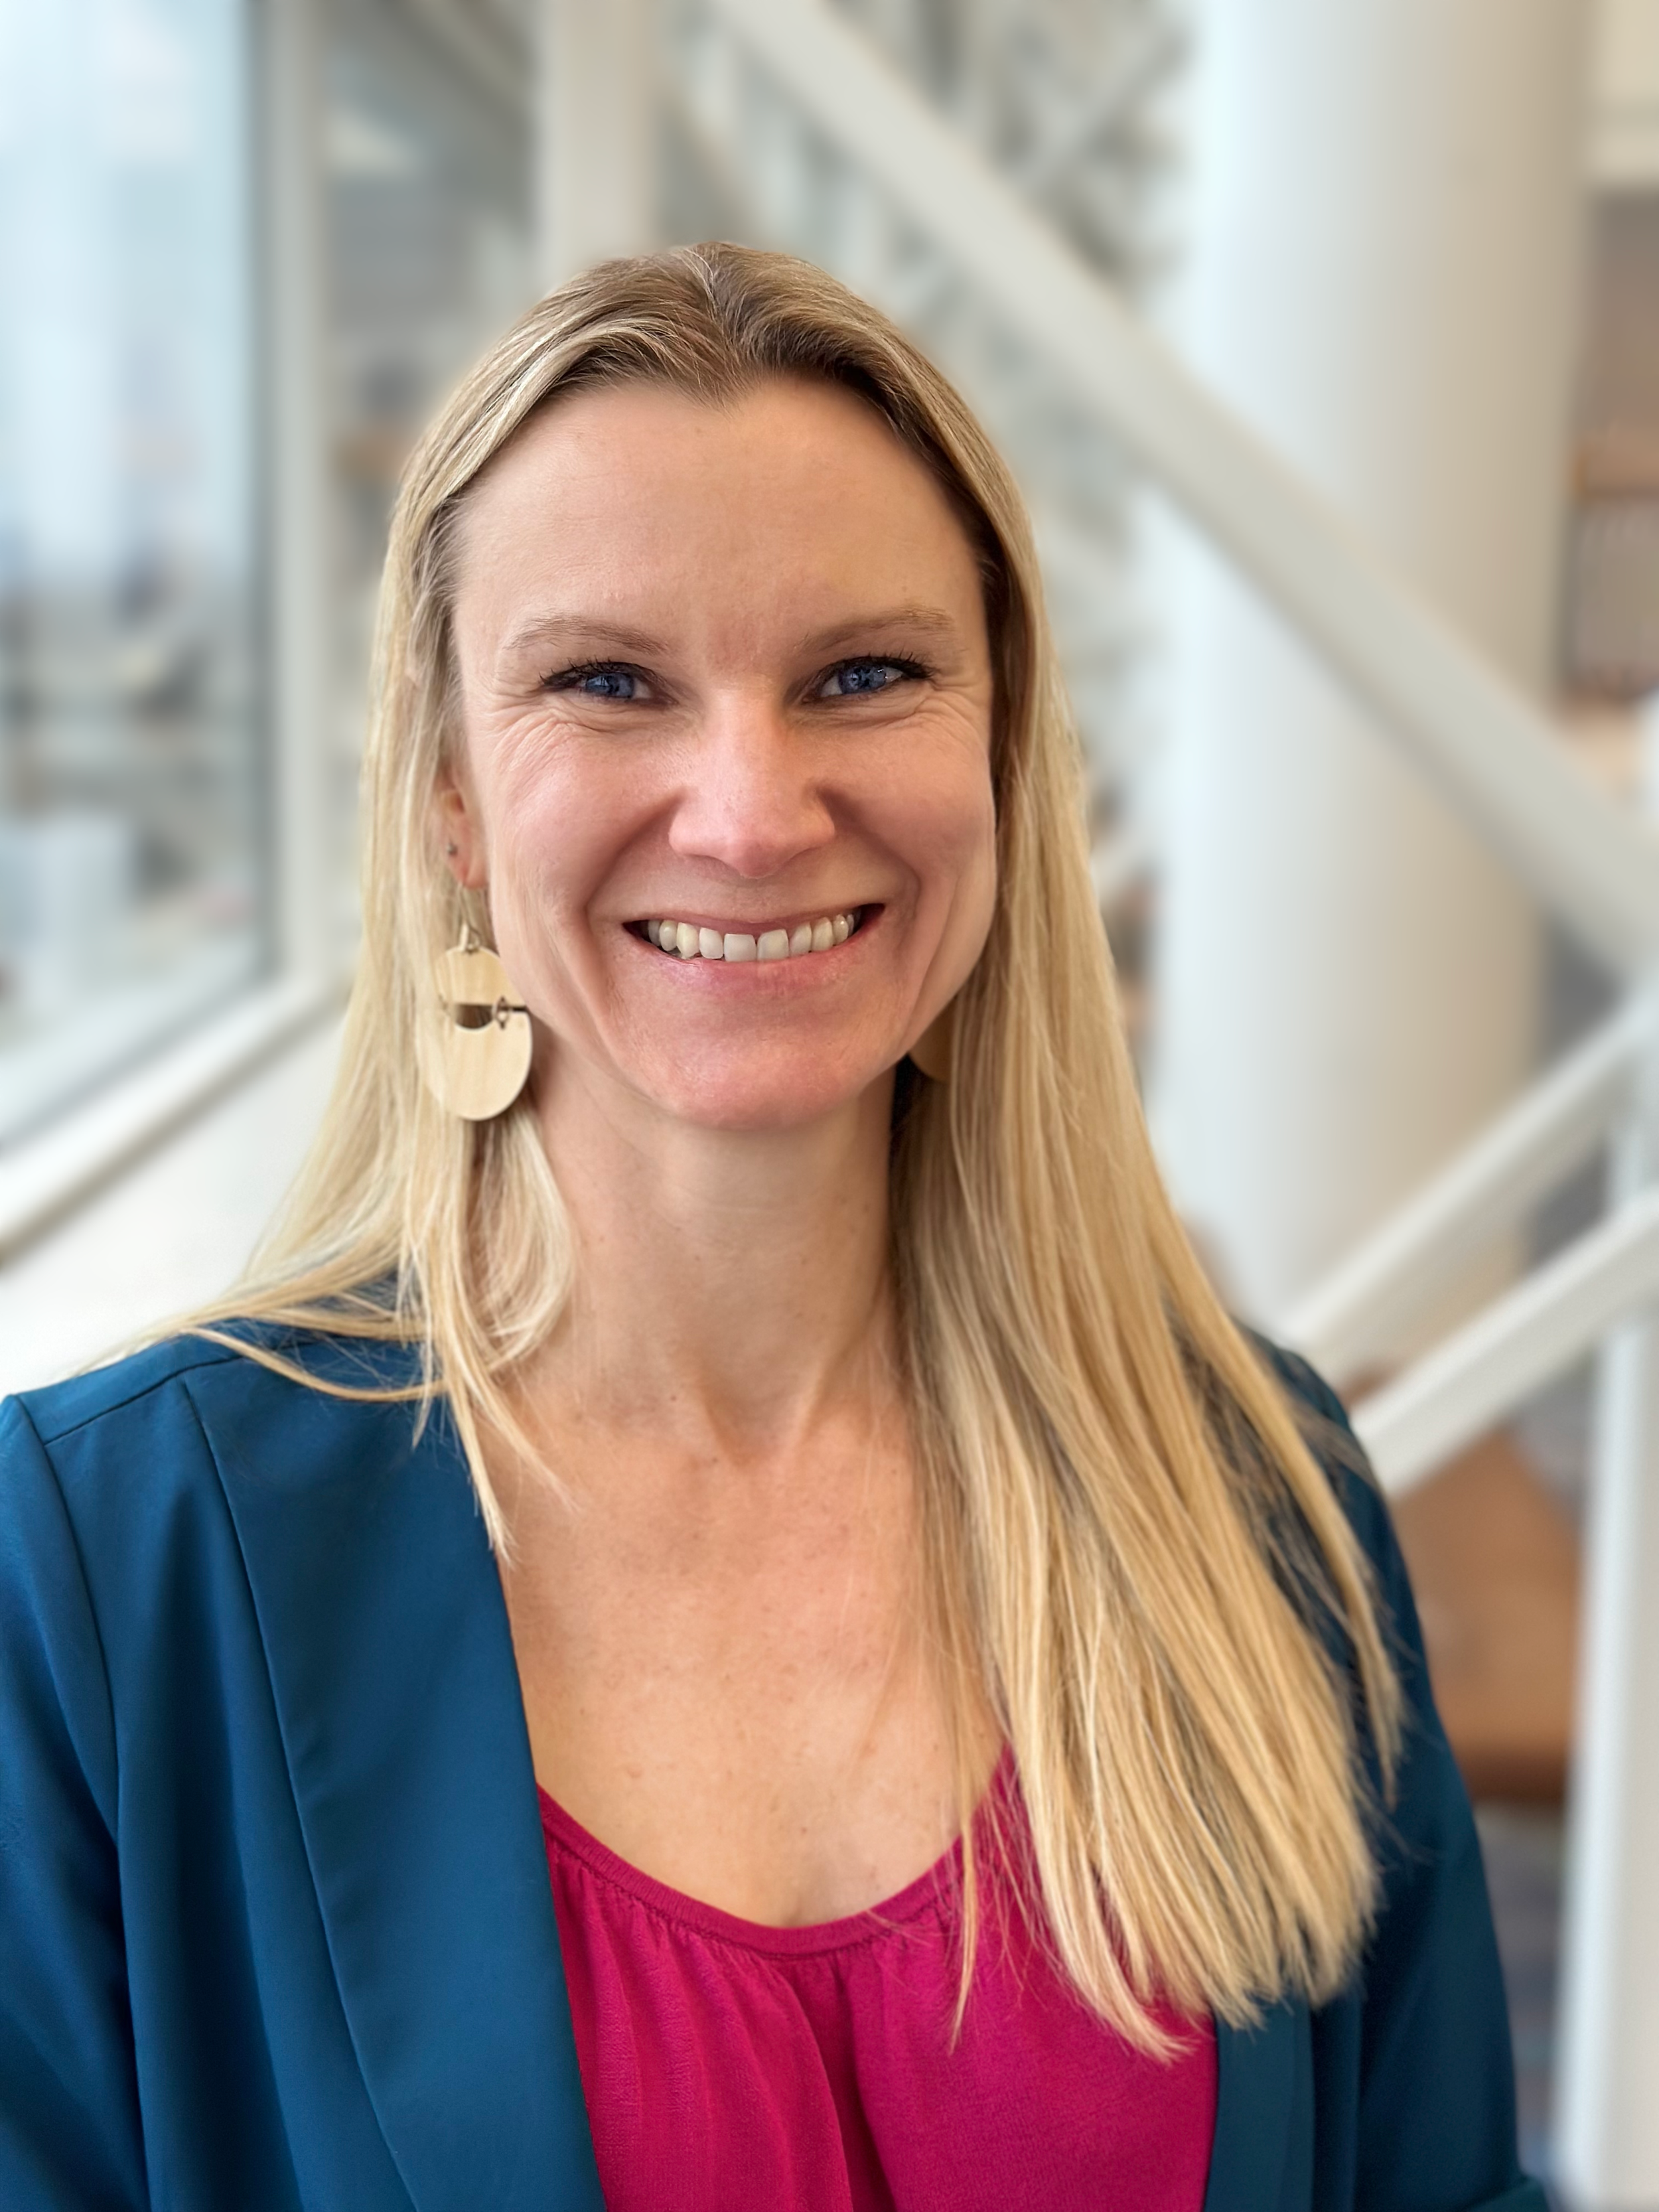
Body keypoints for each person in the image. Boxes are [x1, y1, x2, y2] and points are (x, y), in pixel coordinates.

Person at [0, 244, 1541, 2212]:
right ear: (456, 800)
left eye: (864, 674)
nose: (747, 807)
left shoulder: (1249, 1491)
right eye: (608, 682)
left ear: (999, 754)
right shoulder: (97, 1571)